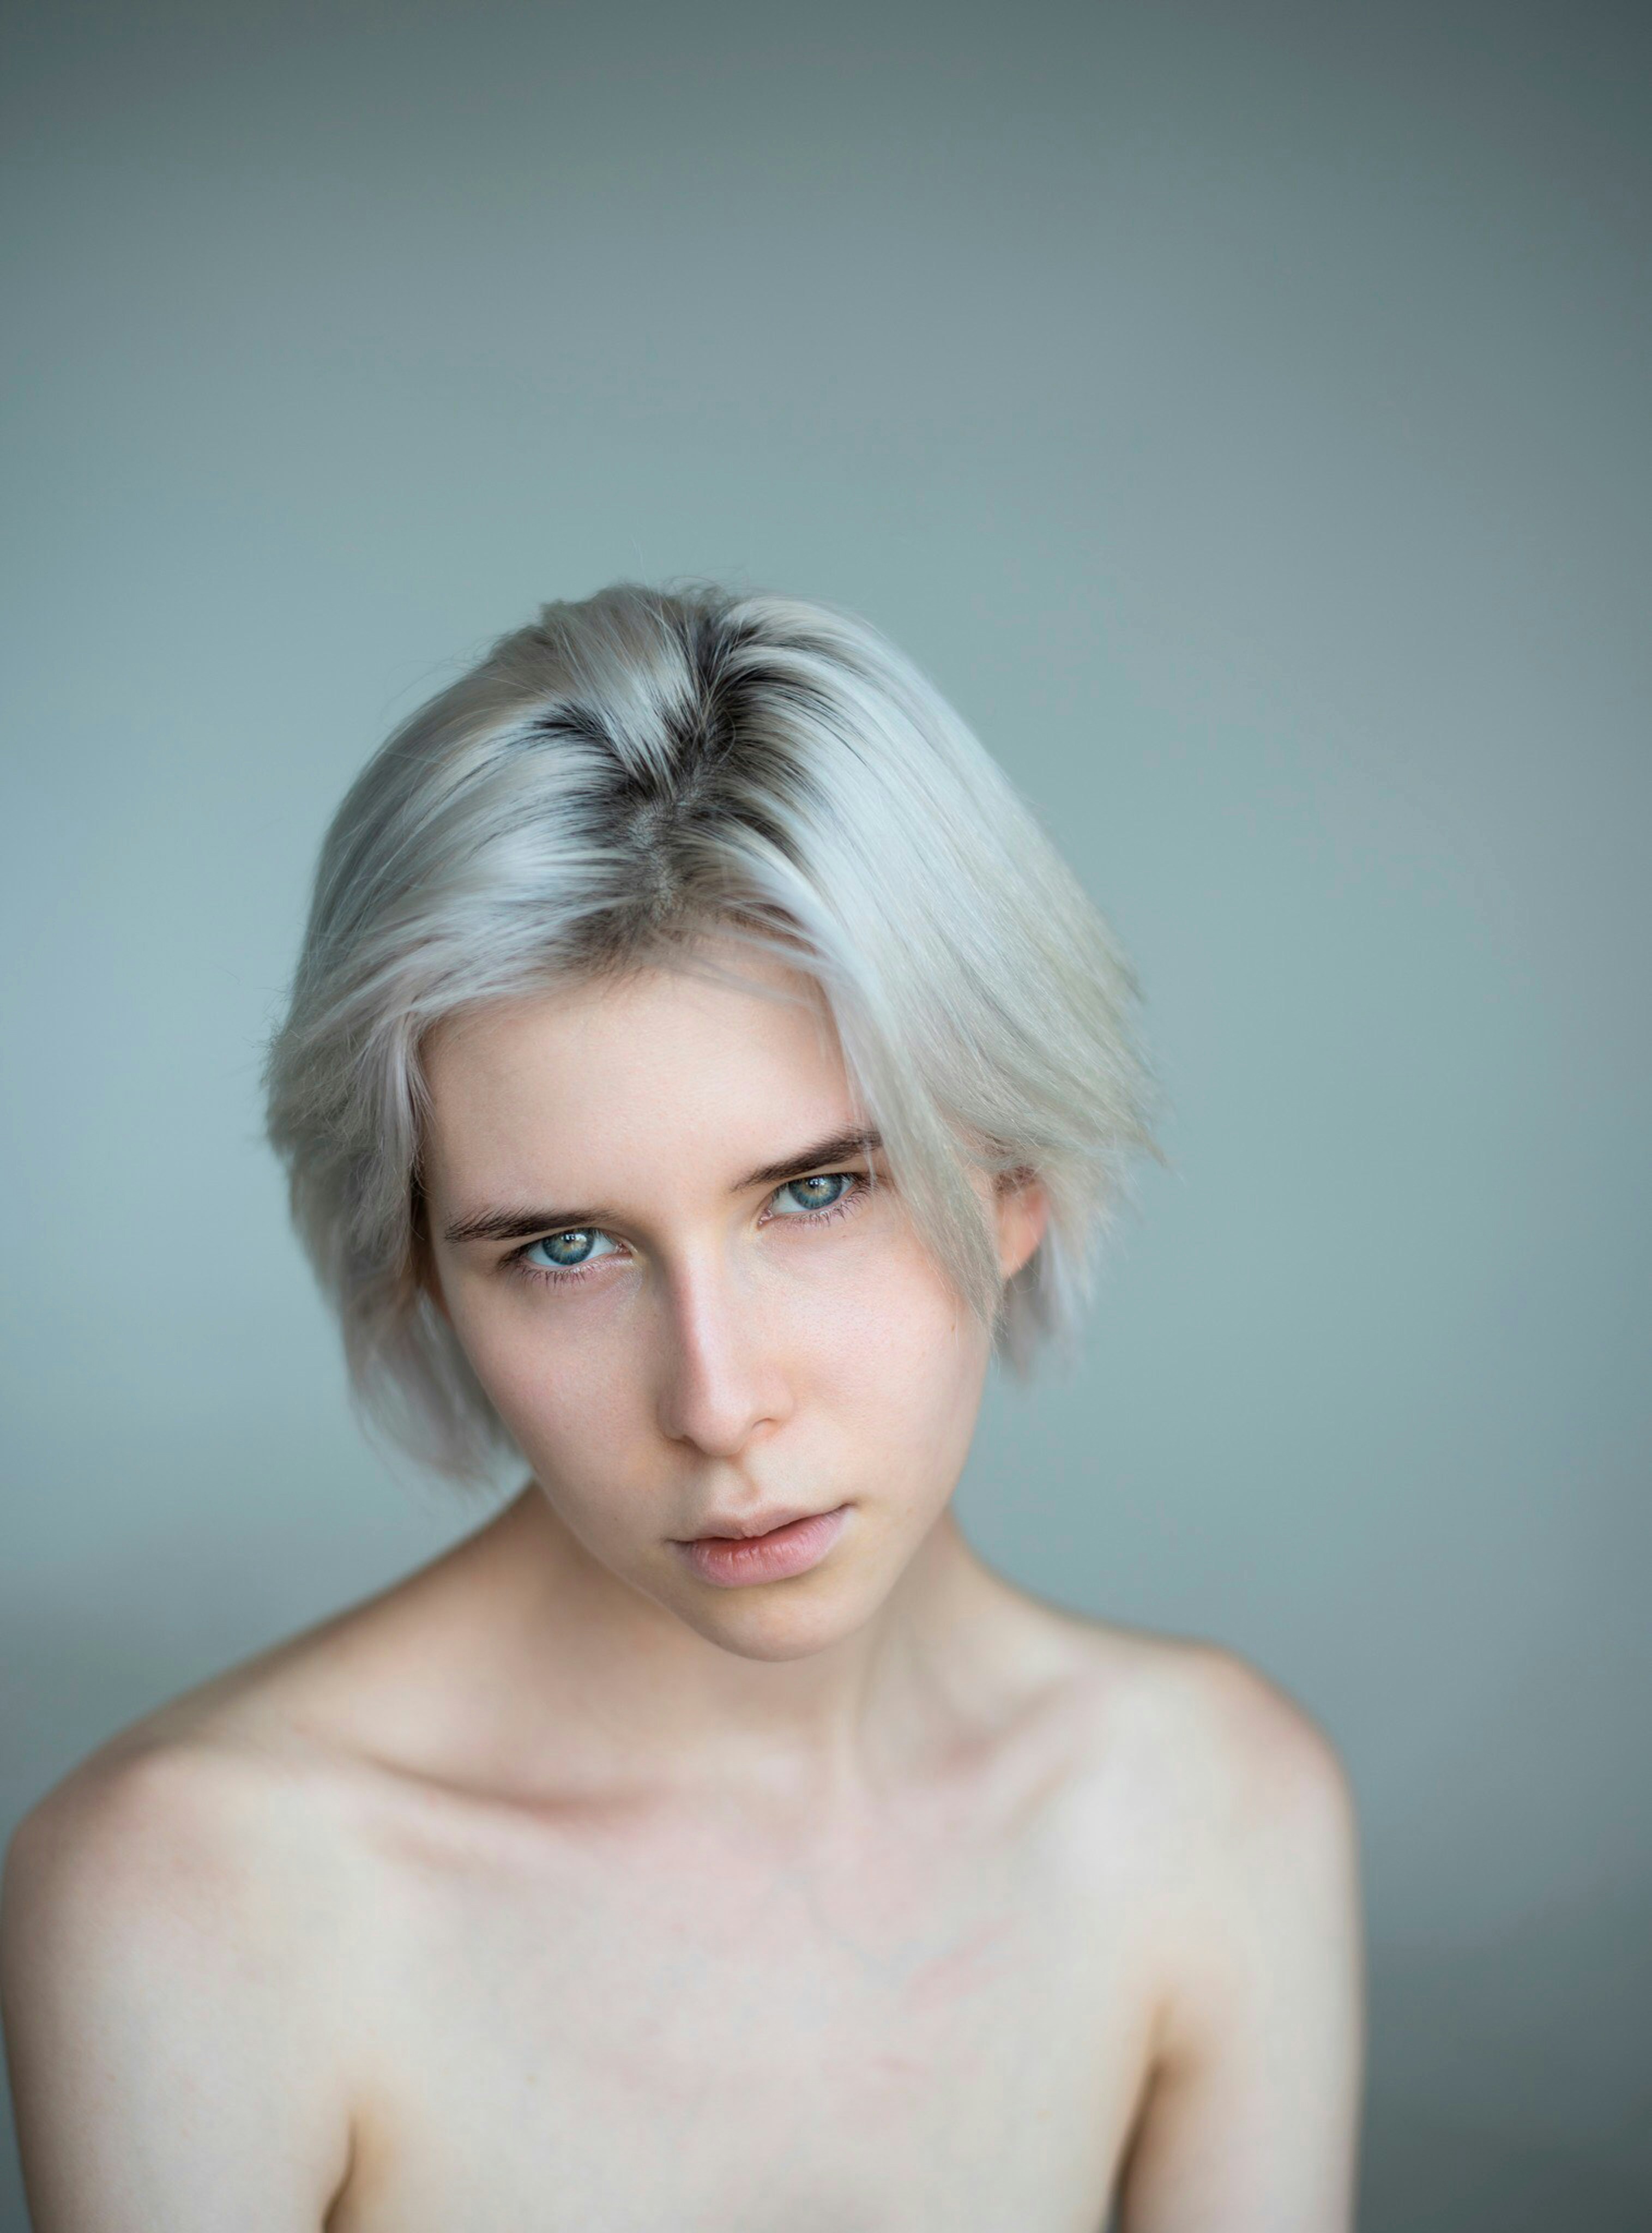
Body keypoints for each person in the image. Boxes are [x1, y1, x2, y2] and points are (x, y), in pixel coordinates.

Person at [0, 582, 1364, 2230]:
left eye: (815, 1194)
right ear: (425, 1273)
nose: (717, 1404)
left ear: (1014, 1181)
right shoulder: (205, 1901)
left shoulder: (1210, 1812)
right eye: (565, 1249)